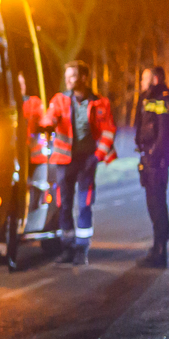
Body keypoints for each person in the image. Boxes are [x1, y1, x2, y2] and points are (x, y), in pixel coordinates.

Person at [39, 61, 118, 266]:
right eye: (67, 76)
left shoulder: (101, 103)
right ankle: (67, 247)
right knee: (63, 205)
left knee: (84, 206)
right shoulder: (60, 100)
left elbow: (109, 131)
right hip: (64, 162)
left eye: (72, 76)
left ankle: (82, 248)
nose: (68, 80)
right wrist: (48, 124)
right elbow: (49, 117)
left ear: (84, 78)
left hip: (87, 162)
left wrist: (97, 156)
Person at [135, 65, 169, 268]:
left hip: (156, 159)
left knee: (157, 203)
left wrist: (155, 155)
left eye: (144, 78)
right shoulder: (149, 97)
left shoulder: (164, 97)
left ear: (154, 79)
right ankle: (157, 247)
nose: (141, 82)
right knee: (153, 203)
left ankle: (160, 250)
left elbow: (165, 131)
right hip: (149, 156)